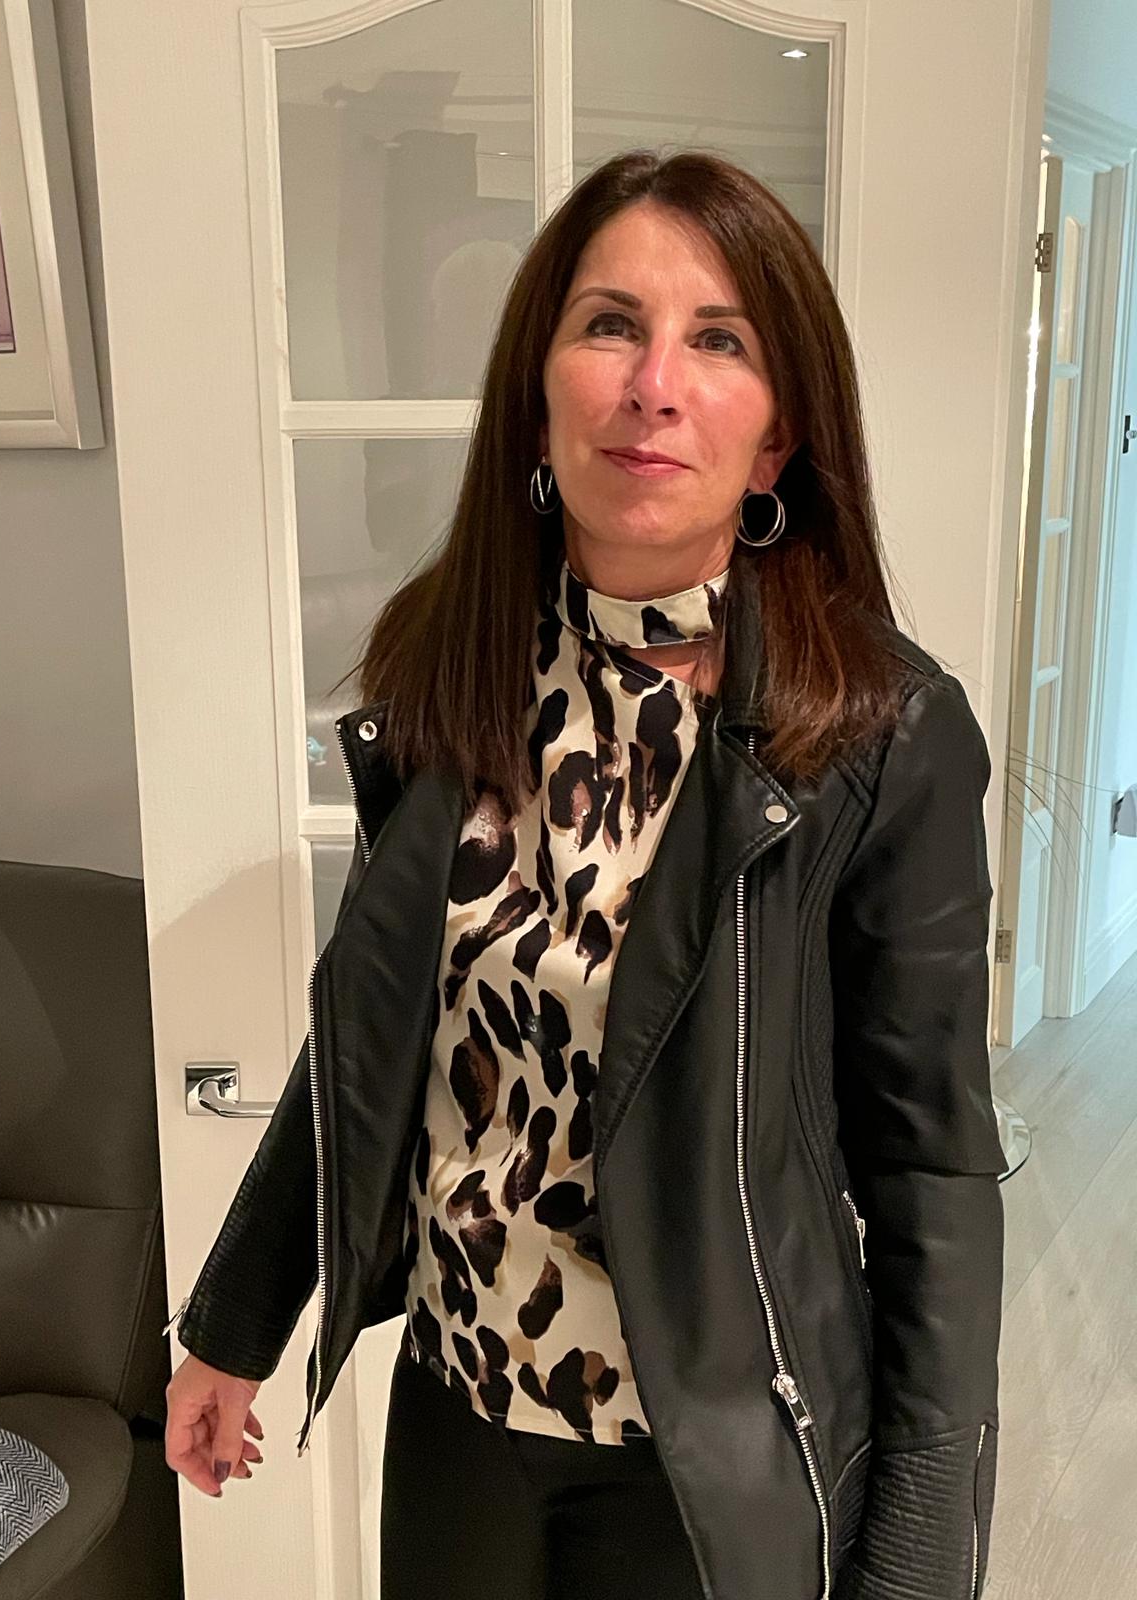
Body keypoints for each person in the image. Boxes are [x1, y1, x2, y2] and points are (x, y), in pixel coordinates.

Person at [162, 148, 1007, 1600]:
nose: (654, 384)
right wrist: (236, 1323)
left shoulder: (879, 734)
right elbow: (376, 1035)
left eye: (719, 340)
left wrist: (923, 1555)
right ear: (539, 394)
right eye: (612, 325)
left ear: (778, 438)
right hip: (457, 1424)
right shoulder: (453, 660)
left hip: (704, 1463)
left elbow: (929, 1167)